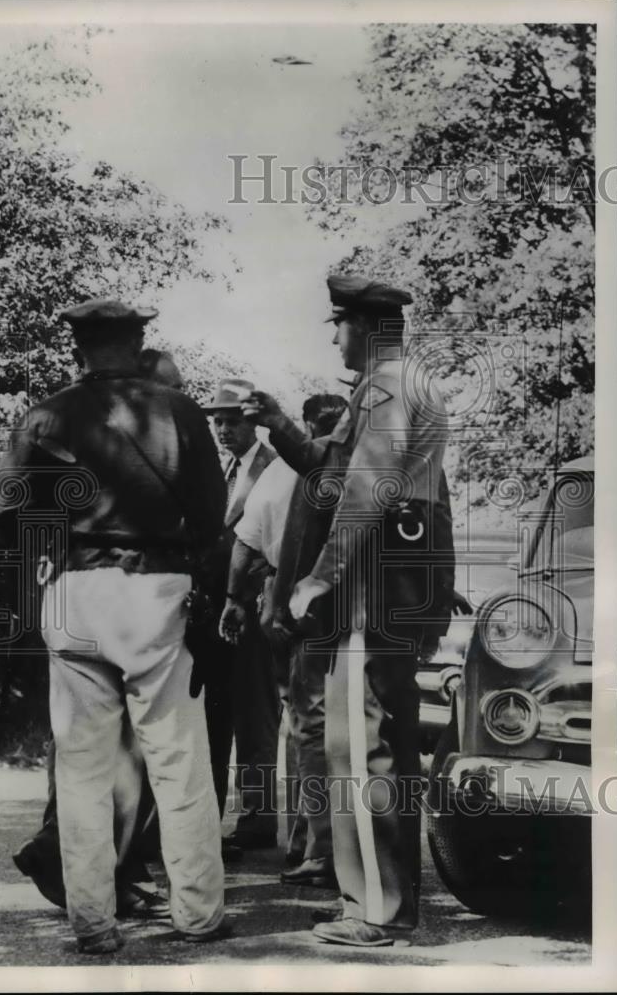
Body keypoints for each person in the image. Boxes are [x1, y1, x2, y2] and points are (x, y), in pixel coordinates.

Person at [0, 300, 228, 953]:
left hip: (74, 590)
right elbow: (212, 518)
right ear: (139, 342)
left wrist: (51, 541)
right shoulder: (178, 412)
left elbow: (4, 508)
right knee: (178, 761)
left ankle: (92, 924)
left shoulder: (47, 413)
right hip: (155, 587)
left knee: (83, 769)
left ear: (79, 347)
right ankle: (199, 915)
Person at [243, 275, 455, 948]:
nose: (334, 336)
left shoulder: (389, 387)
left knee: (360, 750)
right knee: (370, 745)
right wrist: (280, 426)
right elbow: (334, 477)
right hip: (389, 590)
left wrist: (317, 578)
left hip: (373, 591)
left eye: (338, 324)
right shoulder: (391, 386)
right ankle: (378, 901)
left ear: (364, 326)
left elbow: (362, 495)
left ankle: (376, 911)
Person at [10, 346, 186, 918]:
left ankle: (92, 867)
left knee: (93, 752)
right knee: (116, 753)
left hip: (70, 599)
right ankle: (72, 863)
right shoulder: (120, 454)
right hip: (99, 601)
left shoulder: (68, 434)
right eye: (165, 394)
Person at [218, 394, 348, 885]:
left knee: (304, 724)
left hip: (295, 600)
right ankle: (312, 842)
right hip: (313, 602)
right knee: (315, 724)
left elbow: (246, 544)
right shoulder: (338, 469)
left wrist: (239, 597)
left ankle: (311, 844)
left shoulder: (281, 471)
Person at [197, 379, 281, 853]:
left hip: (255, 605)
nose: (223, 429)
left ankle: (257, 820)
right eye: (218, 421)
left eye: (232, 421)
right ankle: (210, 816)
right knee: (216, 711)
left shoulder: (275, 466)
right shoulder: (219, 469)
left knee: (255, 713)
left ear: (253, 422)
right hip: (218, 606)